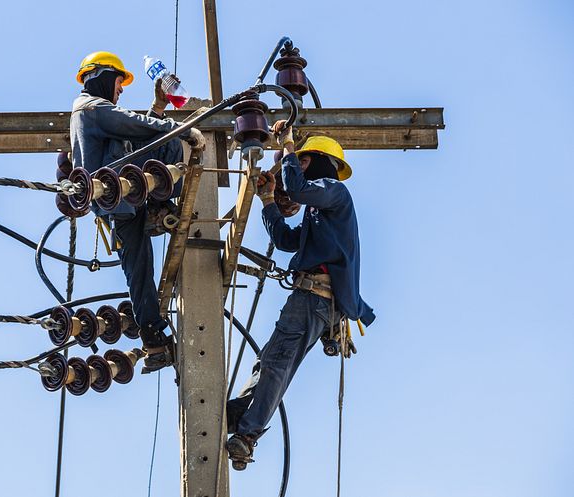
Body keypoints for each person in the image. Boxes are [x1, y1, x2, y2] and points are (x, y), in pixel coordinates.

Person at [225, 120, 376, 470]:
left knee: (276, 362)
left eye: (306, 161)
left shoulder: (334, 193)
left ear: (321, 161)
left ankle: (248, 432)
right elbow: (287, 241)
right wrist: (266, 201)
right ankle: (239, 415)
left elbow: (297, 188)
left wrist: (288, 146)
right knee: (272, 361)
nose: (299, 165)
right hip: (314, 302)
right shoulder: (320, 211)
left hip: (313, 299)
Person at [69, 51, 202, 373]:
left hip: (121, 201)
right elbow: (138, 127)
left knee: (139, 275)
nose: (122, 88)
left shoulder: (93, 112)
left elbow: (131, 134)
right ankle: (162, 205)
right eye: (119, 81)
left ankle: (153, 338)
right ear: (99, 76)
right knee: (168, 140)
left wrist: (158, 107)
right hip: (121, 189)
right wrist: (182, 130)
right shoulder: (91, 106)